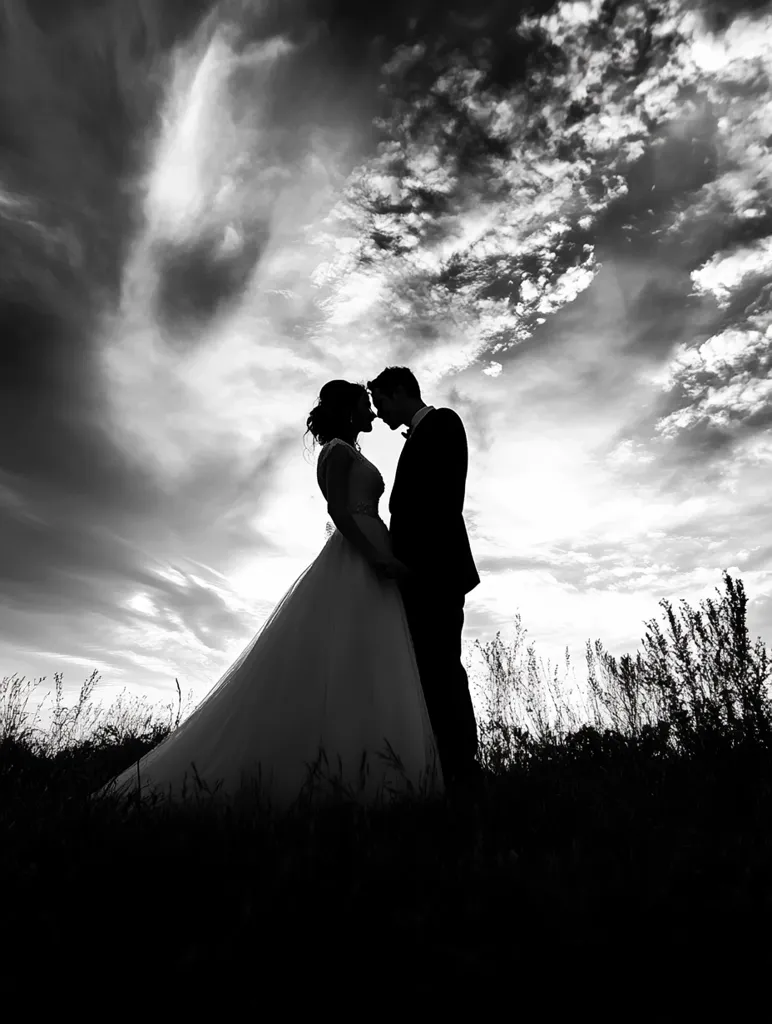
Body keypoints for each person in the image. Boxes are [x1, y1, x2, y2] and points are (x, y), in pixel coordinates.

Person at [95, 380, 442, 812]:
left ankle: (372, 771)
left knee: (369, 660)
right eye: (365, 407)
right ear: (348, 411)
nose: (373, 414)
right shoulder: (336, 451)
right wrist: (375, 557)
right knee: (353, 656)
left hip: (372, 558)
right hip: (359, 560)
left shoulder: (351, 451)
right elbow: (336, 511)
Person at [368, 367, 481, 795]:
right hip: (414, 576)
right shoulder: (416, 437)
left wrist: (412, 566)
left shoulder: (444, 423)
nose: (378, 414)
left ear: (400, 392)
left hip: (434, 573)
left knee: (443, 670)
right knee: (427, 671)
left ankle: (461, 770)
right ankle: (434, 768)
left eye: (381, 403)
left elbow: (443, 501)